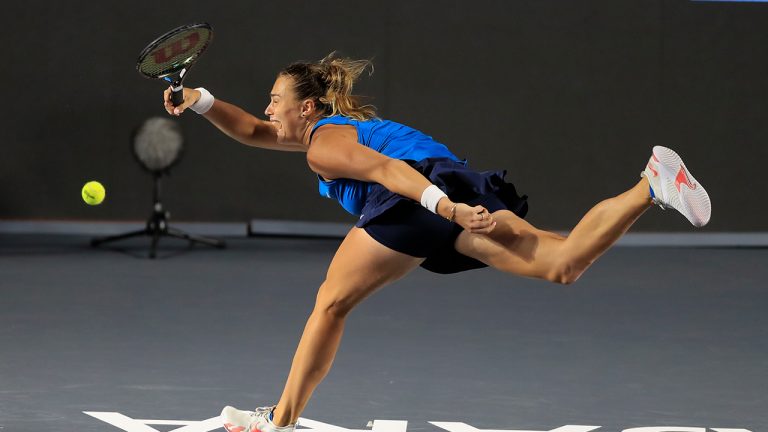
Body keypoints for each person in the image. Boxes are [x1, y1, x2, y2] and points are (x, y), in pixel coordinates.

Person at [163, 53, 711, 432]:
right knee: (561, 262)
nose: (267, 109)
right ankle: (651, 183)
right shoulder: (330, 129)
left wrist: (443, 207)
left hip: (420, 196)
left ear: (307, 109)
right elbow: (252, 132)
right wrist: (198, 99)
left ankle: (280, 421)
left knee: (331, 302)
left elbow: (385, 170)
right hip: (449, 179)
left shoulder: (324, 146)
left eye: (275, 99)